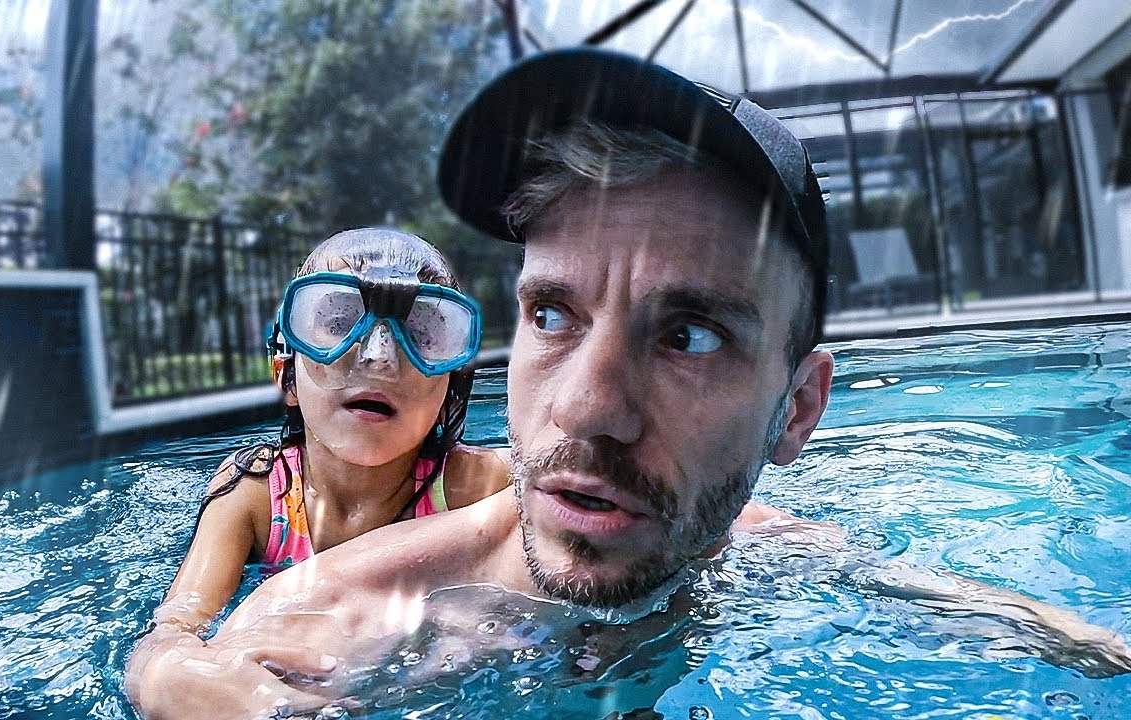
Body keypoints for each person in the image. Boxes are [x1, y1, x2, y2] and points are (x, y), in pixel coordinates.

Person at [126, 49, 1131, 719]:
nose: (585, 407)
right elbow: (195, 668)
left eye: (688, 333)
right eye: (550, 315)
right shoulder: (328, 628)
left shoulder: (763, 551)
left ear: (800, 410)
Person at [129, 228, 510, 672]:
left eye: (421, 333)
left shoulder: (475, 484)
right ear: (286, 376)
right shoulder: (254, 491)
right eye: (340, 323)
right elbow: (177, 627)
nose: (379, 358)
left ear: (449, 390)